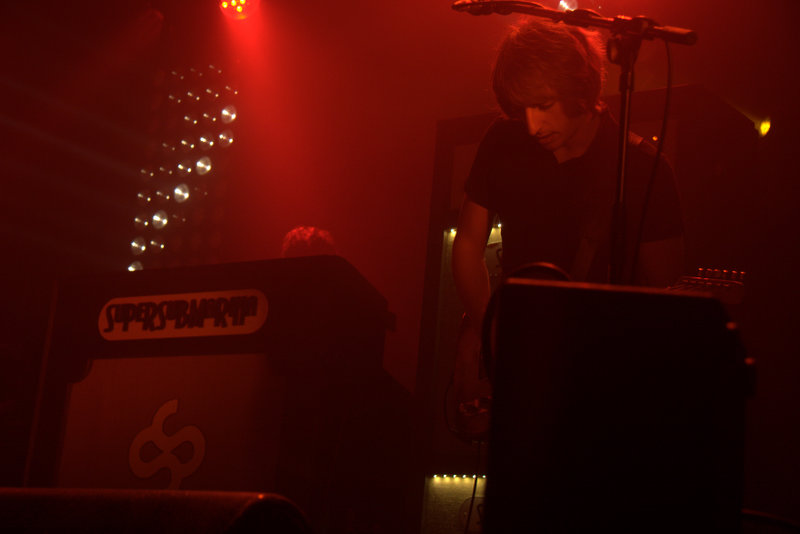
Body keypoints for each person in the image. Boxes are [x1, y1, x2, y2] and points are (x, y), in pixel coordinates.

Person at [452, 17, 685, 334]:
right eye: (522, 110)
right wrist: (484, 328)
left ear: (579, 88)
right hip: (515, 349)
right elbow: (467, 242)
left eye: (544, 105)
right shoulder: (505, 137)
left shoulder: (642, 169)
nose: (532, 126)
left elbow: (667, 293)